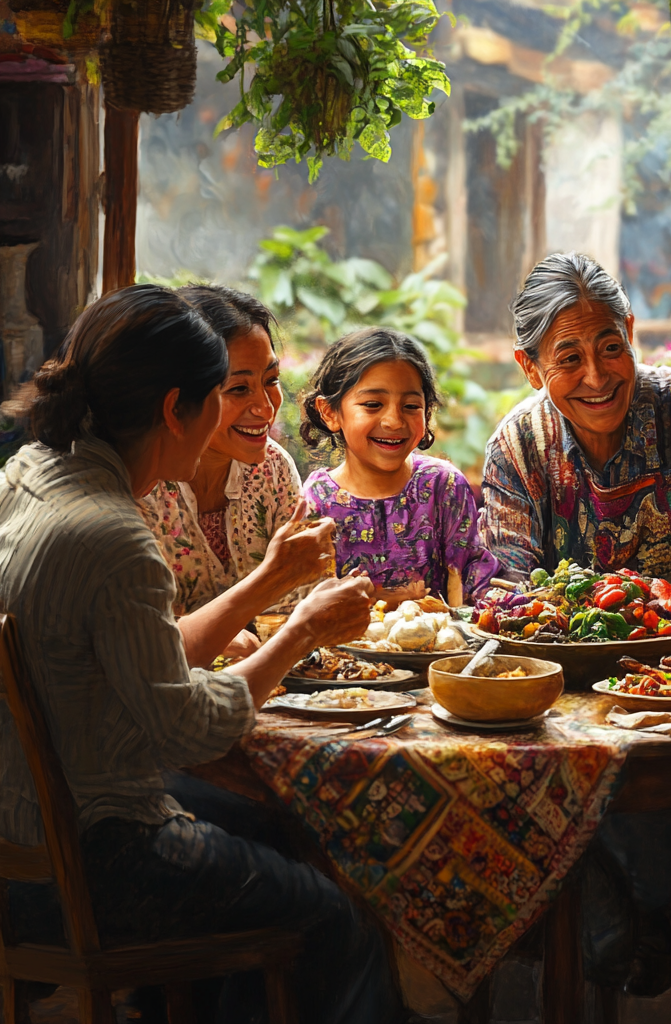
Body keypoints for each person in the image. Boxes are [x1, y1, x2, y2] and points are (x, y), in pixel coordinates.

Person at [0, 285, 400, 1024]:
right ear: (174, 408)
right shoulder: (113, 532)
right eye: (224, 391)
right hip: (93, 862)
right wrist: (300, 632)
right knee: (336, 911)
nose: (245, 408)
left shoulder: (31, 475)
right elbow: (185, 731)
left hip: (19, 846)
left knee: (274, 829)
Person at [480, 251, 671, 594]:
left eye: (611, 348)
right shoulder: (518, 447)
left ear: (629, 331)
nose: (597, 378)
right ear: (529, 367)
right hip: (563, 646)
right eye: (569, 359)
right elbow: (510, 587)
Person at [139, 285, 318, 629]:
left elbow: (300, 600)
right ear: (179, 397)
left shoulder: (274, 469)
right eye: (238, 388)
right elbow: (140, 639)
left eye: (272, 380)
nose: (266, 408)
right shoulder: (139, 482)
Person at [300, 325, 500, 605]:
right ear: (330, 412)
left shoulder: (443, 486)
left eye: (410, 406)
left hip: (447, 648)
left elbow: (472, 580)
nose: (394, 421)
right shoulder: (315, 502)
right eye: (372, 404)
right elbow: (309, 603)